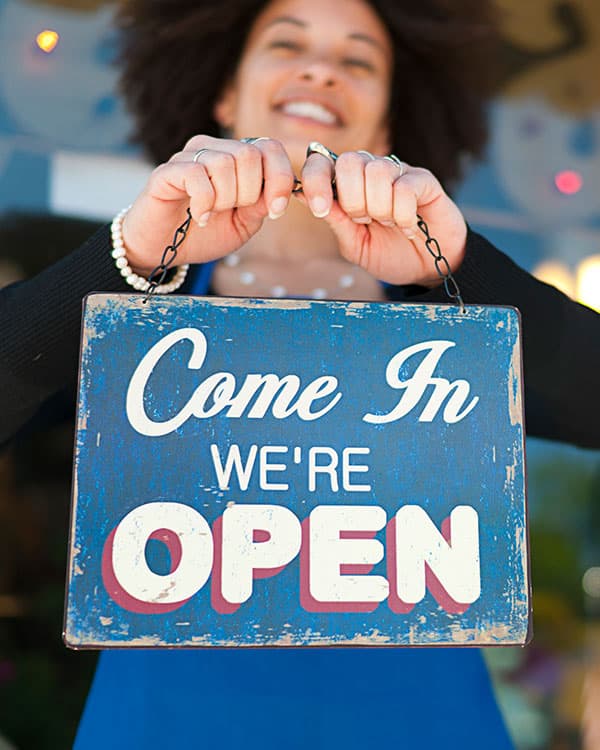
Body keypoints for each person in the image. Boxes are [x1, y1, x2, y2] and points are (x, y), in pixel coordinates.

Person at [1, 0, 598, 746]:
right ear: (225, 94)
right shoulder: (144, 310)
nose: (320, 68)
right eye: (287, 45)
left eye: (358, 60)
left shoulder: (447, 335)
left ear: (386, 126)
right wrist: (128, 259)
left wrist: (464, 270)